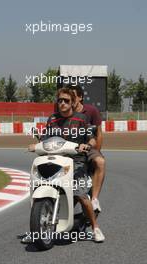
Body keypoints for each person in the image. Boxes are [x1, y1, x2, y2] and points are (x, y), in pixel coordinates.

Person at [28, 88, 105, 242]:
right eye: (60, 100)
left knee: (80, 195)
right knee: (38, 186)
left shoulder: (81, 119)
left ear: (73, 102)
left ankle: (95, 228)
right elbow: (44, 138)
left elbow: (91, 138)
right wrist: (35, 145)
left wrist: (87, 145)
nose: (62, 103)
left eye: (66, 100)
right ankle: (37, 229)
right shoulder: (52, 119)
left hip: (76, 161)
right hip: (55, 159)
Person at [65, 84, 106, 213]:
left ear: (80, 97)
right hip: (68, 149)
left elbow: (98, 134)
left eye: (73, 96)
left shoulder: (92, 111)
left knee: (100, 162)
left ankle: (94, 199)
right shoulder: (64, 111)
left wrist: (96, 152)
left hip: (88, 147)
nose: (69, 100)